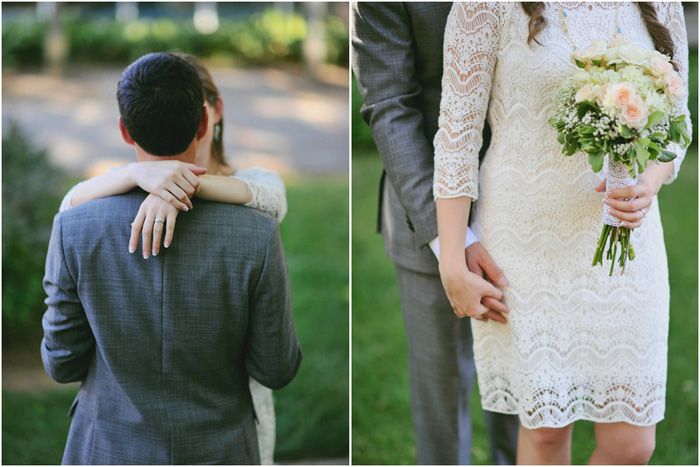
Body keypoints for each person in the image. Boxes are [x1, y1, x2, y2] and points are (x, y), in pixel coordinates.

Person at [433, 3, 690, 464]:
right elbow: (456, 134)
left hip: (628, 243)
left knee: (633, 445)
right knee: (547, 433)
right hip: (528, 243)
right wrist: (451, 257)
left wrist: (648, 181)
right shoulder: (485, 5)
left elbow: (678, 120)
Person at [41, 52, 303, 464]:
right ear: (203, 122)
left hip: (107, 448)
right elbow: (277, 369)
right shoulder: (257, 234)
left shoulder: (73, 227)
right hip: (223, 451)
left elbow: (61, 363)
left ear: (125, 131)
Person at [352, 3, 519, 464]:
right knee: (441, 402)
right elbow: (389, 104)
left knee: (525, 402)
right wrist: (451, 241)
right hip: (421, 205)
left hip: (524, 203)